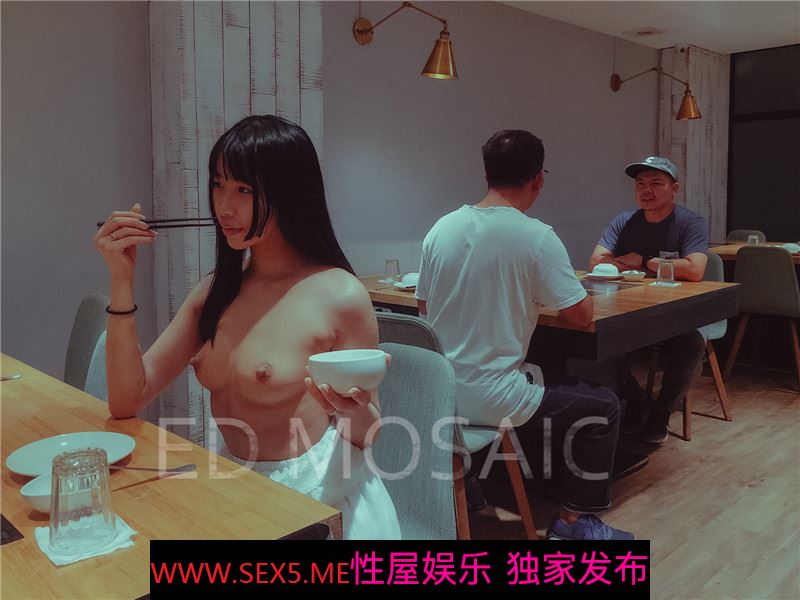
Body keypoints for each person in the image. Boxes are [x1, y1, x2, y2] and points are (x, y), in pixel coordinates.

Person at [93, 114, 401, 540]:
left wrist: (353, 409)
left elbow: (367, 436)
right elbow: (127, 399)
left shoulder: (339, 295)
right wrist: (121, 279)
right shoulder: (213, 293)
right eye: (218, 185)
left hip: (320, 505)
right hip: (237, 493)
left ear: (290, 194)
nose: (224, 206)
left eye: (244, 190)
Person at [416, 129, 633, 540]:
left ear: (486, 174)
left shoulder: (441, 228)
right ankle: (574, 523)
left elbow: (424, 308)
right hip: (492, 398)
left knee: (537, 370)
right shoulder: (537, 237)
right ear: (538, 179)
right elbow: (580, 316)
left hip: (438, 390)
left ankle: (472, 487)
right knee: (604, 407)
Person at [589, 156, 709, 444]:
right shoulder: (624, 221)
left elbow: (695, 269)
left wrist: (643, 261)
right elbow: (596, 261)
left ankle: (661, 413)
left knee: (692, 344)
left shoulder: (690, 222)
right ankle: (638, 402)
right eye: (640, 184)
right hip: (627, 311)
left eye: (656, 183)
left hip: (671, 315)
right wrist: (635, 264)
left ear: (674, 188)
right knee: (598, 341)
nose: (646, 190)